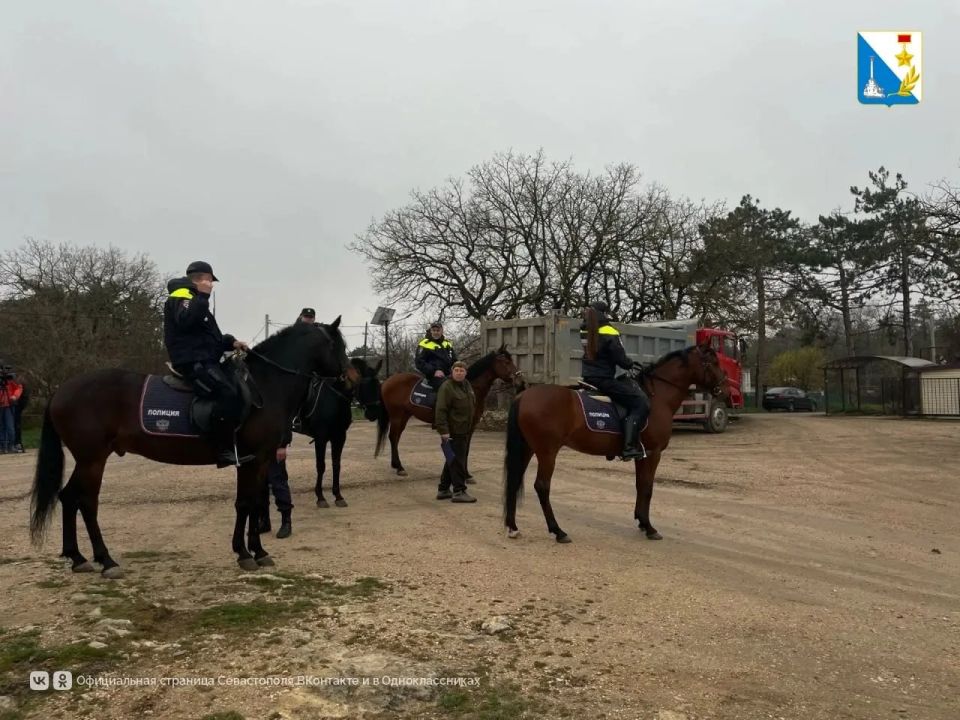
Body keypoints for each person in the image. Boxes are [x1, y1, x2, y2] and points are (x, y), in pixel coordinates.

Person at [163, 260, 252, 468]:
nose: (212, 285)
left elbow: (208, 337)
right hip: (193, 361)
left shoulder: (194, 300)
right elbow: (185, 321)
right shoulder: (183, 295)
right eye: (211, 280)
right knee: (227, 393)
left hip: (205, 358)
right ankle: (221, 450)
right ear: (203, 278)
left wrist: (231, 342)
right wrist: (203, 296)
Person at [259, 307, 315, 537]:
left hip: (303, 377)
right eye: (306, 318)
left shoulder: (315, 335)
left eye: (311, 318)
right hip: (261, 440)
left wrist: (283, 442)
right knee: (261, 483)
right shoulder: (291, 336)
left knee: (278, 480)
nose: (308, 320)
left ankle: (286, 520)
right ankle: (264, 520)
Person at [580, 301, 648, 460]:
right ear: (605, 313)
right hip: (603, 378)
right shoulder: (608, 330)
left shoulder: (585, 328)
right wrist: (631, 364)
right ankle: (629, 447)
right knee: (640, 403)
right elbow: (619, 357)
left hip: (588, 376)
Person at [433, 360, 477, 503]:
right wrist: (444, 431)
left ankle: (443, 489)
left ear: (466, 373)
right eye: (456, 370)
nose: (459, 373)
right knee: (458, 461)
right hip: (453, 431)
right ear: (452, 372)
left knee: (452, 459)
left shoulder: (467, 385)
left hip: (464, 430)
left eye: (462, 370)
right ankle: (459, 491)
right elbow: (440, 410)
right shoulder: (447, 387)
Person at [415, 322, 457, 391]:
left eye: (438, 330)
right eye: (434, 330)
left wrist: (458, 367)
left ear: (442, 331)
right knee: (446, 388)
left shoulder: (447, 344)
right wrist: (434, 371)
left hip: (449, 374)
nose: (436, 332)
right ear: (431, 331)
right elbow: (419, 362)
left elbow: (454, 360)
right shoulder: (424, 344)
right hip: (433, 376)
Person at [0, 364, 23, 454]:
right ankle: (2, 447)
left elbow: (19, 387)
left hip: (9, 405)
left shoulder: (10, 379)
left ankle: (11, 446)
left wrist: (14, 396)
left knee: (10, 427)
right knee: (1, 427)